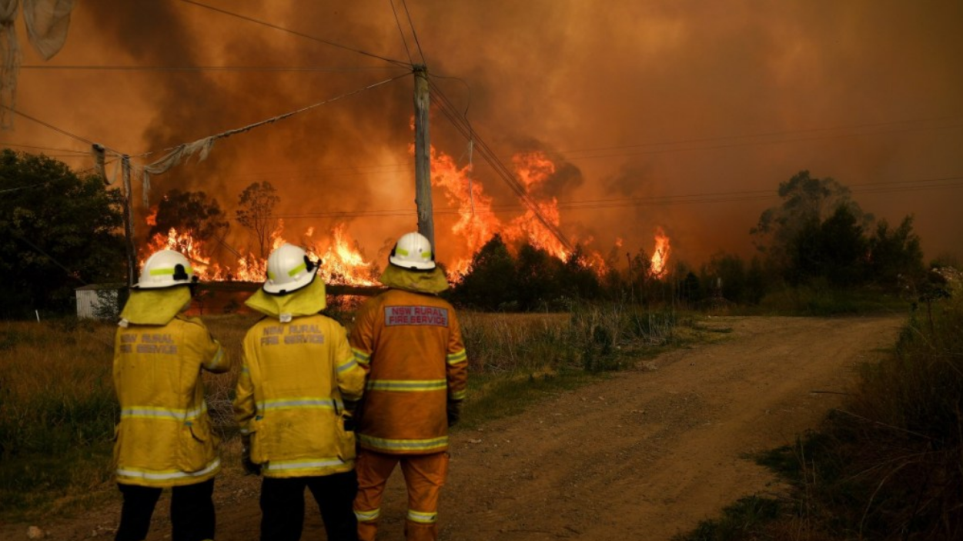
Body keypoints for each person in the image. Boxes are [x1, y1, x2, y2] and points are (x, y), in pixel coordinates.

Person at [234, 243, 366, 541]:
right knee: (341, 525)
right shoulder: (331, 330)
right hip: (328, 450)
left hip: (278, 453)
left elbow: (243, 401)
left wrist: (247, 445)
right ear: (309, 283)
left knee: (279, 529)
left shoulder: (254, 336)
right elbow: (353, 386)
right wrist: (349, 413)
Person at [350, 232, 468, 541]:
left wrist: (351, 411)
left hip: (380, 428)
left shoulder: (375, 309)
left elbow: (353, 371)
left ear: (394, 266)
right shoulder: (446, 313)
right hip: (429, 428)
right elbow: (458, 367)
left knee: (366, 501)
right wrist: (454, 404)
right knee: (423, 508)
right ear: (430, 270)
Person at [112, 249, 229, 541]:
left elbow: (119, 377)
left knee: (134, 520)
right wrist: (201, 329)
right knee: (193, 521)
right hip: (185, 447)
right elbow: (221, 363)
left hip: (137, 445)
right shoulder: (191, 332)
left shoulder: (124, 332)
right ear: (181, 290)